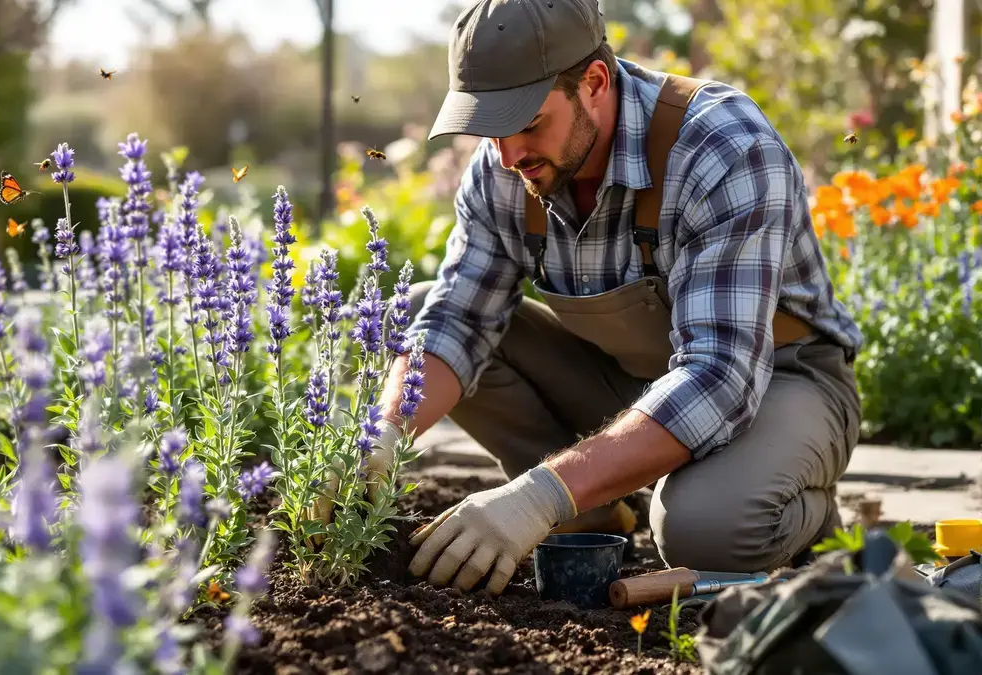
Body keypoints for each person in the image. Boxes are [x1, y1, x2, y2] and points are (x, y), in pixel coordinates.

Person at [319, 0, 864, 596]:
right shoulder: (507, 165)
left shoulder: (722, 147)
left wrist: (536, 495)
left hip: (777, 379)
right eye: (491, 127)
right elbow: (457, 319)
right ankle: (591, 511)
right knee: (421, 307)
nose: (507, 155)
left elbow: (720, 376)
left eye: (527, 123)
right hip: (629, 378)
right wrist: (382, 435)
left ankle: (804, 512)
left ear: (595, 82)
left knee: (703, 532)